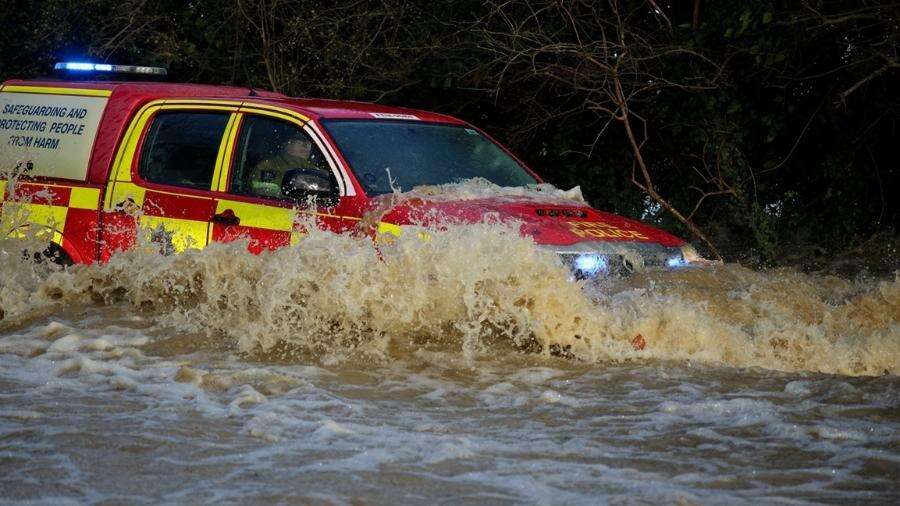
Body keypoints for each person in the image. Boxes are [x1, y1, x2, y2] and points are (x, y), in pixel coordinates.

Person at [250, 137, 315, 198]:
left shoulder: (315, 171)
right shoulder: (266, 166)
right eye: (299, 140)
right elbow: (256, 190)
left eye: (308, 142)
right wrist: (280, 193)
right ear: (285, 144)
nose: (306, 145)